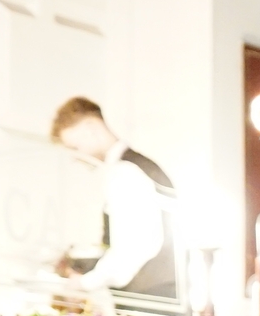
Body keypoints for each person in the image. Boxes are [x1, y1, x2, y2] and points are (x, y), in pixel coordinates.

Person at [48, 97, 180, 303]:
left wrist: (83, 283)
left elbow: (133, 249)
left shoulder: (124, 172)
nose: (75, 156)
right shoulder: (138, 166)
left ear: (91, 127)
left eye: (74, 147)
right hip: (161, 294)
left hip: (149, 299)